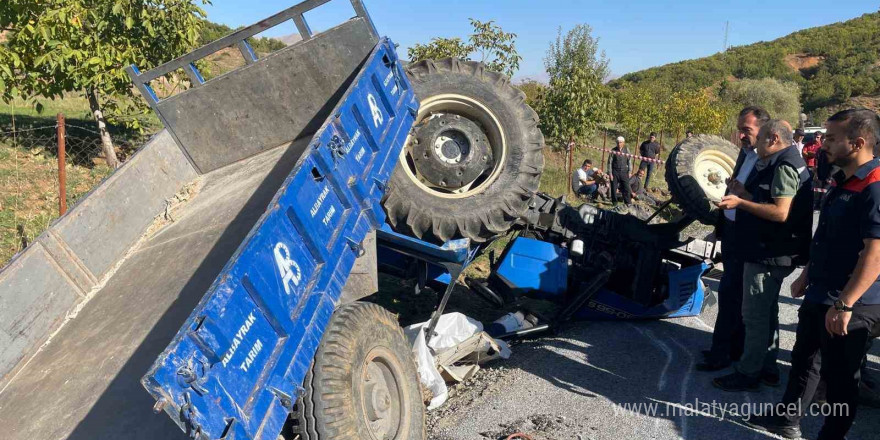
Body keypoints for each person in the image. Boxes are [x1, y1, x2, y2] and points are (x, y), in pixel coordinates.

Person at [745, 108, 880, 440]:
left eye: (832, 139)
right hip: (823, 290)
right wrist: (809, 275)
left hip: (853, 301)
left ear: (859, 142)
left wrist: (846, 304)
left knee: (840, 379)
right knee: (805, 360)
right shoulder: (844, 178)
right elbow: (831, 235)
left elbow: (875, 253)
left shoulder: (874, 186)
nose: (824, 145)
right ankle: (786, 419)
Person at [714, 119, 813, 391]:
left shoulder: (783, 165)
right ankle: (768, 367)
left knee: (754, 316)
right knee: (767, 312)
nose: (755, 145)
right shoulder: (785, 159)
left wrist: (741, 202)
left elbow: (781, 212)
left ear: (772, 139)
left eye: (759, 140)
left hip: (768, 252)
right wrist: (744, 192)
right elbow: (770, 200)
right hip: (770, 250)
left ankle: (748, 372)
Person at [697, 106, 769, 372]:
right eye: (740, 129)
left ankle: (723, 353)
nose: (740, 136)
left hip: (747, 238)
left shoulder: (769, 160)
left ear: (764, 130)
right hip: (730, 233)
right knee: (731, 294)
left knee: (732, 295)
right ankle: (728, 348)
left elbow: (768, 203)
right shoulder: (746, 152)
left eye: (746, 130)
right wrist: (720, 226)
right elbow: (733, 189)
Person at [608, 136, 633, 208]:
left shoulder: (626, 150)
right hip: (615, 171)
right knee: (613, 187)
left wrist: (630, 171)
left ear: (623, 143)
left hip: (624, 171)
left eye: (620, 142)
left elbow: (629, 161)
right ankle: (614, 202)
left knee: (626, 187)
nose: (619, 144)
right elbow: (609, 162)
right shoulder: (613, 150)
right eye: (618, 142)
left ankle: (628, 202)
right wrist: (610, 173)